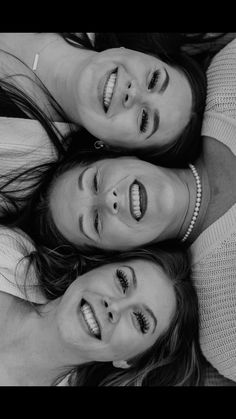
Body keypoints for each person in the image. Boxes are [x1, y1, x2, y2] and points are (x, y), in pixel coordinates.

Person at [2, 38, 236, 383]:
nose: (110, 200)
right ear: (112, 253)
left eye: (96, 182)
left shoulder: (228, 81)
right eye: (95, 221)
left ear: (113, 153)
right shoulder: (224, 328)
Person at [0, 225, 202, 386]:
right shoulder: (10, 252)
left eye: (140, 320)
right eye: (122, 281)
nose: (114, 307)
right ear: (95, 267)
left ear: (129, 360)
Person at [0, 32, 207, 166]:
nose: (132, 94)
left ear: (115, 148)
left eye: (144, 120)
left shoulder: (18, 156)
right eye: (154, 79)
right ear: (145, 53)